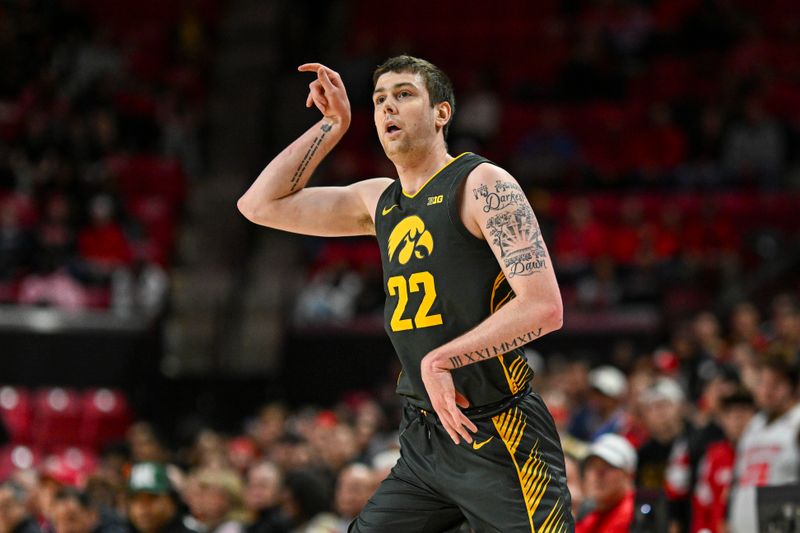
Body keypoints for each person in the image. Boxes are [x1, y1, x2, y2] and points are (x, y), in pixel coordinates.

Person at [237, 55, 572, 531]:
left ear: (442, 113)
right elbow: (258, 205)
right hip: (424, 437)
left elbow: (544, 308)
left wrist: (443, 359)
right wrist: (332, 126)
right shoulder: (378, 200)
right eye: (378, 100)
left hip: (500, 433)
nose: (388, 108)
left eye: (404, 95)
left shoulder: (482, 184)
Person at [727, 356, 800, 533]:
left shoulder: (797, 422)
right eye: (762, 384)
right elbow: (739, 479)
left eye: (775, 385)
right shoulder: (754, 424)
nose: (767, 391)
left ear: (793, 388)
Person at [575, 433, 636, 533]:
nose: (598, 474)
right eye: (592, 466)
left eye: (608, 466)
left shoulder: (635, 517)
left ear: (629, 476)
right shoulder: (591, 517)